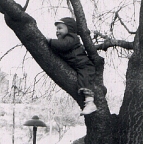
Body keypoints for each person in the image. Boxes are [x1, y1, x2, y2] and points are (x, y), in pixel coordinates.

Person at [47, 17, 97, 115]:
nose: (57, 31)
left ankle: (90, 103)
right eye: (56, 29)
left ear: (69, 29)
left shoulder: (71, 38)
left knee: (85, 81)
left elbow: (63, 45)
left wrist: (50, 41)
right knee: (81, 80)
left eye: (60, 28)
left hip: (84, 65)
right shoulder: (65, 40)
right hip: (77, 66)